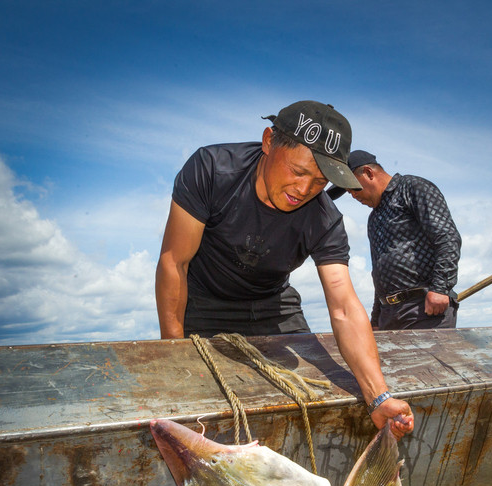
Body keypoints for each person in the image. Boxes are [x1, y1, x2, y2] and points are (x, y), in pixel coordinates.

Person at [155, 101, 413, 437]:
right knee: (200, 411)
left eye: (320, 182)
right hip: (203, 304)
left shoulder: (324, 219)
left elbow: (345, 307)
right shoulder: (212, 171)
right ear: (268, 142)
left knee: (317, 398)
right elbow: (175, 262)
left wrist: (379, 396)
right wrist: (174, 358)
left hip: (274, 308)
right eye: (299, 171)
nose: (304, 190)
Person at [332, 150, 461, 330]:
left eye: (353, 189)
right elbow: (380, 269)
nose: (353, 196)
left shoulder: (413, 188)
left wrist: (440, 288)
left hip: (425, 308)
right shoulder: (373, 219)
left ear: (369, 173)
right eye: (348, 192)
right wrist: (376, 319)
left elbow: (447, 238)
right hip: (388, 315)